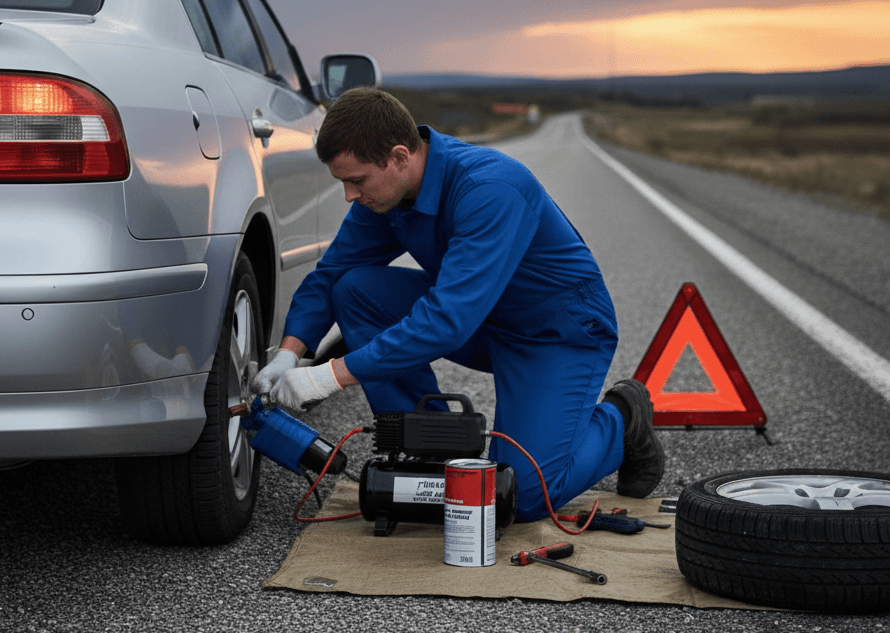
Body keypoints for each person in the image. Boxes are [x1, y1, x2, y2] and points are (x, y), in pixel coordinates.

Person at [253, 87, 664, 519]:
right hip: (484, 323)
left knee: (521, 494)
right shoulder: (389, 195)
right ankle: (426, 449)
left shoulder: (490, 188)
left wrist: (330, 376)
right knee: (353, 289)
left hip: (556, 333)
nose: (349, 196)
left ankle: (622, 419)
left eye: (356, 180)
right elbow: (331, 274)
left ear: (398, 156)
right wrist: (289, 354)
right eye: (343, 182)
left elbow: (448, 320)